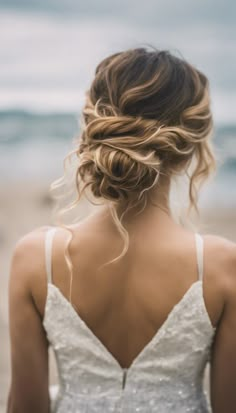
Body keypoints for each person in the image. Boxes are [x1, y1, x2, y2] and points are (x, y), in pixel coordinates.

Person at [7, 47, 236, 413]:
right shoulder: (222, 265)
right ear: (191, 147)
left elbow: (25, 406)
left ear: (91, 129)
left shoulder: (35, 259)